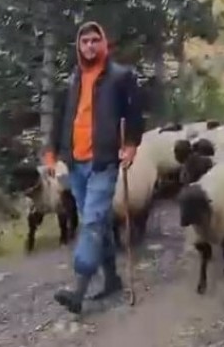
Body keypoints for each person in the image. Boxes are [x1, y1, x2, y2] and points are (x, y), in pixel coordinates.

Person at [43, 21, 144, 314]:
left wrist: (131, 144)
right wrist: (52, 152)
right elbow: (63, 117)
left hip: (104, 161)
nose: (89, 46)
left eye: (94, 40)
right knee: (97, 222)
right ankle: (111, 278)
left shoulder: (120, 76)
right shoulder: (73, 78)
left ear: (104, 43)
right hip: (75, 163)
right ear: (78, 46)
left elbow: (135, 113)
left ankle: (78, 289)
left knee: (91, 222)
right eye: (84, 41)